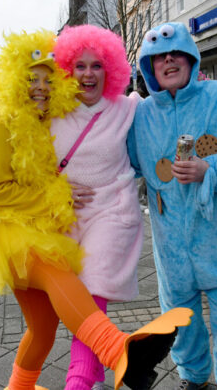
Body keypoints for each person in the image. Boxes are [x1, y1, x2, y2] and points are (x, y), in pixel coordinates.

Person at [0, 30, 192, 390]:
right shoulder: (2, 120)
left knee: (42, 329)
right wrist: (58, 196)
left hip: (23, 223)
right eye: (30, 79)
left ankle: (18, 387)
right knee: (58, 275)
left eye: (47, 80)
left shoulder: (38, 120)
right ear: (12, 81)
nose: (40, 88)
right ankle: (117, 351)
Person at [127, 22, 217, 389]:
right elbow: (117, 167)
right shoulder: (141, 116)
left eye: (176, 52)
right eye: (159, 56)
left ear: (191, 57)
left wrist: (212, 168)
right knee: (180, 328)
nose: (168, 59)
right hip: (172, 254)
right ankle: (193, 380)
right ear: (149, 66)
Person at [53, 24, 143, 390]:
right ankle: (94, 374)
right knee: (70, 302)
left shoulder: (128, 108)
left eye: (97, 66)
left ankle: (77, 381)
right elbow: (28, 166)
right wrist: (55, 189)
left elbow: (174, 114)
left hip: (113, 210)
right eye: (80, 66)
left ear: (111, 70)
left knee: (92, 293)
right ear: (67, 70)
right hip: (64, 219)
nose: (88, 74)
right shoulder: (50, 115)